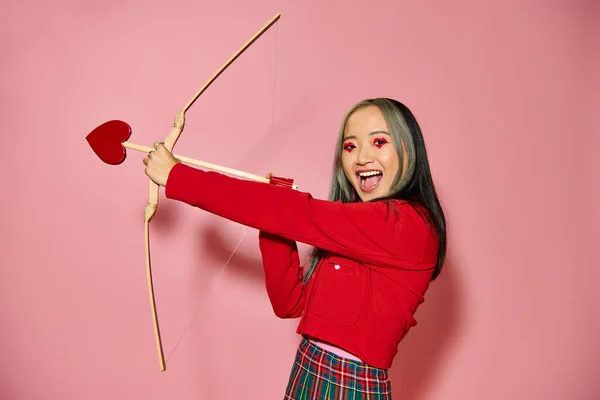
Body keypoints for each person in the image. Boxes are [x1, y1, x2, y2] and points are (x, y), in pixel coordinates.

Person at [144, 98, 447, 399]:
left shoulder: (409, 225)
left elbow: (300, 215)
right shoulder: (361, 233)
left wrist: (178, 177)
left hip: (350, 387)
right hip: (307, 372)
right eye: (350, 146)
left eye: (379, 142)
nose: (361, 158)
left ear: (410, 149)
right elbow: (289, 302)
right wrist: (271, 214)